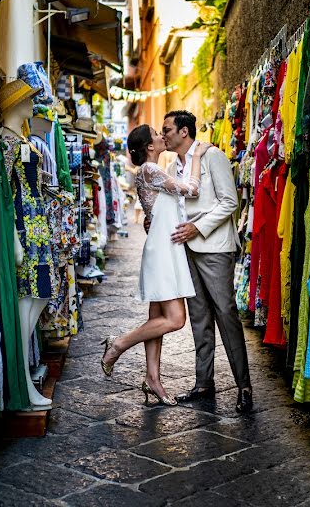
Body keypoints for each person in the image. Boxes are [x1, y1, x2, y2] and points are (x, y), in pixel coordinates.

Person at [100, 125, 211, 405]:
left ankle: (153, 380)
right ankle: (119, 344)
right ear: (150, 146)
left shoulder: (153, 171)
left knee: (156, 321)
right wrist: (197, 157)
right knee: (175, 320)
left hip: (165, 247)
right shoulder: (150, 170)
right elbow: (191, 190)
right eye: (157, 134)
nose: (162, 136)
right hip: (163, 251)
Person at [162, 110, 253, 413]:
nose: (164, 135)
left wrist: (197, 227)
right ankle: (204, 383)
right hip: (186, 247)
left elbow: (230, 202)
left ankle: (244, 386)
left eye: (168, 129)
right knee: (199, 317)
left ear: (184, 131)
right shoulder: (175, 164)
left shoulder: (213, 156)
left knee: (226, 314)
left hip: (214, 247)